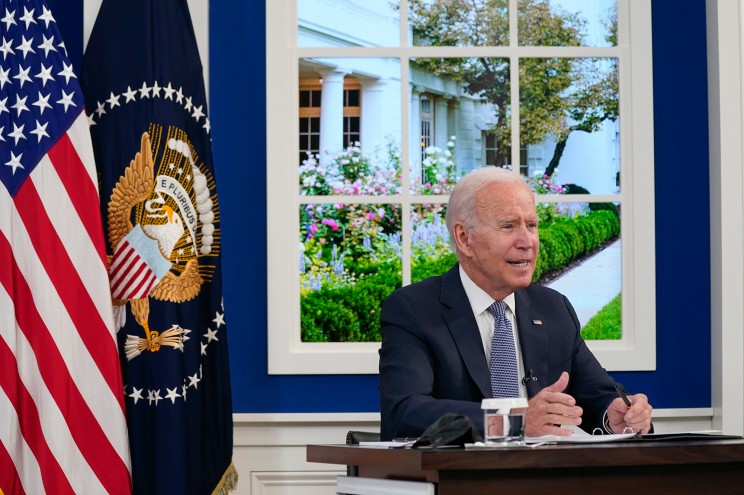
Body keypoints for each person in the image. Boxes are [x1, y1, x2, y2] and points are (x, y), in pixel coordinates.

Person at [378, 166, 652, 441]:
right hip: (459, 478)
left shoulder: (553, 308)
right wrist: (512, 422)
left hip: (544, 477)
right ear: (464, 238)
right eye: (508, 226)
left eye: (531, 226)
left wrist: (617, 417)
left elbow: (599, 394)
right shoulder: (413, 309)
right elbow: (406, 412)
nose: (527, 242)